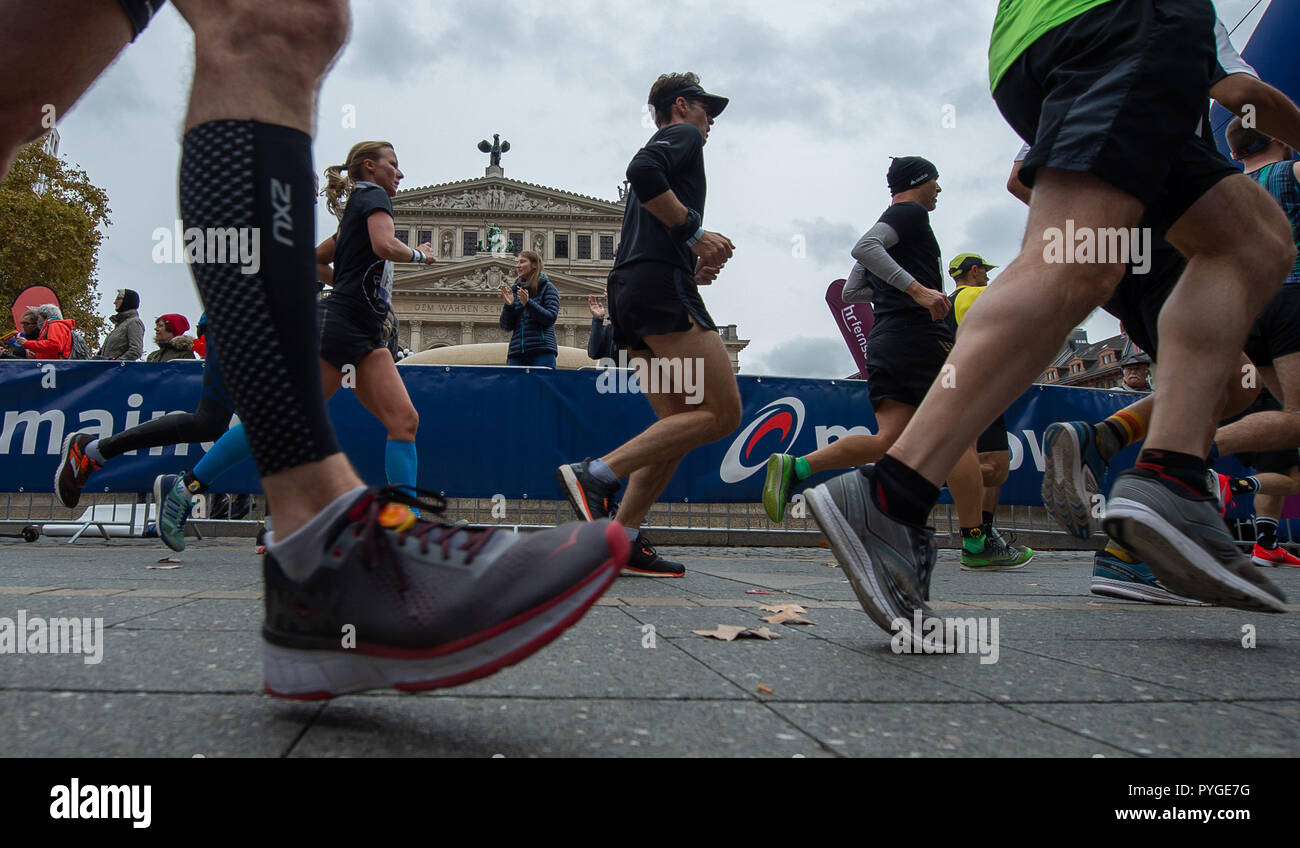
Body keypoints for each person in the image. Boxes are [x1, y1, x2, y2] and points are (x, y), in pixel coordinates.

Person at [11, 0, 627, 699]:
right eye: (394, 161)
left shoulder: (359, 206)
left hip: (360, 323)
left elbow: (316, 256)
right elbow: (375, 246)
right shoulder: (370, 198)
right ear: (371, 167)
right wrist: (410, 251)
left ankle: (340, 540)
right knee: (282, 23)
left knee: (274, 25)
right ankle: (292, 530)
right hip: (352, 324)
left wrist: (316, 277)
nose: (402, 169)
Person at [805, 0, 1293, 647]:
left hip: (1056, 41)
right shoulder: (910, 225)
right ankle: (893, 495)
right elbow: (1240, 91)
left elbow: (1016, 181)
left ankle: (1171, 473)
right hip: (1126, 22)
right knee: (1073, 263)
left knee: (1255, 239)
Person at [762, 159, 1023, 571]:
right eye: (936, 181)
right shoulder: (910, 213)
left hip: (885, 342)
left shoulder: (899, 226)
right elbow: (864, 248)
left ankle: (797, 466)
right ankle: (977, 543)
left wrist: (894, 289)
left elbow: (852, 290)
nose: (940, 189)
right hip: (920, 339)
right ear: (920, 181)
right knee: (957, 437)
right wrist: (918, 291)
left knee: (888, 439)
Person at [557, 72, 737, 578]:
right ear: (681, 106)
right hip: (657, 290)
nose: (711, 123)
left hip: (635, 289)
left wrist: (691, 258)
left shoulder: (673, 151)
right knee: (722, 413)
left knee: (676, 426)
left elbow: (652, 215)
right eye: (707, 111)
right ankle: (594, 475)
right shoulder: (679, 137)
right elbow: (640, 170)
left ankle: (623, 537)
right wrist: (695, 231)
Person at [945, 253, 1033, 567]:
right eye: (985, 271)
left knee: (995, 471)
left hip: (963, 386)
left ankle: (981, 537)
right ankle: (916, 476)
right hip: (976, 386)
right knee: (995, 468)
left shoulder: (946, 302)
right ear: (974, 271)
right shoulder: (975, 295)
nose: (988, 277)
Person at [499, 250, 560, 368]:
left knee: (541, 387)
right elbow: (506, 326)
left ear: (534, 265)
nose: (517, 266)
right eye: (517, 262)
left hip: (542, 352)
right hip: (517, 354)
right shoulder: (515, 291)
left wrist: (528, 303)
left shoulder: (548, 288)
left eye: (522, 262)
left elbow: (550, 318)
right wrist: (509, 305)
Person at [97, 289, 144, 361]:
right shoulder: (120, 325)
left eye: (118, 299)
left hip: (118, 370)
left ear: (128, 300)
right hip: (108, 370)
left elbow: (136, 351)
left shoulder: (134, 322)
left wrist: (116, 363)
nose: (114, 302)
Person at [586, 294, 617, 362]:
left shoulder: (638, 327)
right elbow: (593, 353)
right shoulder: (608, 329)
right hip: (613, 371)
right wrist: (598, 320)